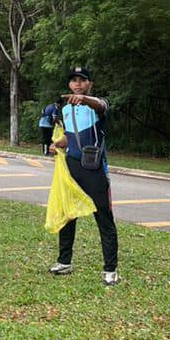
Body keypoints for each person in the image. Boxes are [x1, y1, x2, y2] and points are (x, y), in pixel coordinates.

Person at [48, 66, 119, 285]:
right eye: (74, 81)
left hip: (94, 167)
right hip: (72, 166)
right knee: (68, 214)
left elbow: (100, 105)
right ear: (69, 84)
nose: (77, 84)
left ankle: (110, 270)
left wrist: (84, 99)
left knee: (104, 216)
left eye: (82, 80)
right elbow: (71, 136)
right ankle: (64, 261)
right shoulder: (65, 110)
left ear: (89, 84)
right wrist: (58, 143)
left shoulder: (97, 105)